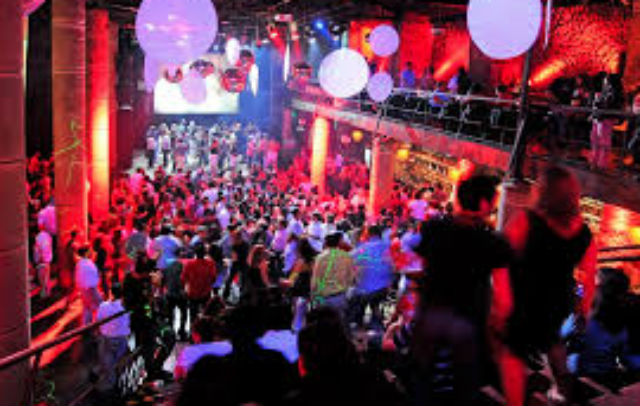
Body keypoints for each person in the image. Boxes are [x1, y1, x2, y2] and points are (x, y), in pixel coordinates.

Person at [500, 165, 597, 406]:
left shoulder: (526, 221)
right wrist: (583, 309)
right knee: (551, 339)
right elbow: (589, 275)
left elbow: (500, 257)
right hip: (557, 299)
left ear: (541, 192)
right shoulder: (584, 233)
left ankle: (515, 401)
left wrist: (500, 301)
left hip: (523, 296)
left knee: (512, 352)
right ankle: (561, 388)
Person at [412, 174, 512, 405]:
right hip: (468, 330)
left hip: (429, 323)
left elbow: (420, 273)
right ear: (485, 203)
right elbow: (503, 298)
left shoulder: (433, 228)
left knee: (423, 388)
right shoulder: (493, 243)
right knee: (461, 393)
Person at [350, 225, 394, 330]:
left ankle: (359, 326)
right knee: (375, 305)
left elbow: (351, 260)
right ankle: (377, 325)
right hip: (383, 288)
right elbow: (394, 266)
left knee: (359, 306)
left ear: (368, 234)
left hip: (365, 289)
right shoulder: (389, 247)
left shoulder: (363, 248)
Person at [311, 233, 356, 318]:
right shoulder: (346, 256)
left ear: (326, 243)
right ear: (339, 242)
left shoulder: (320, 257)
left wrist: (313, 296)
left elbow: (315, 279)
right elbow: (351, 277)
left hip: (323, 297)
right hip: (340, 296)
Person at [96, 283, 130, 391]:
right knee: (117, 361)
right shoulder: (124, 308)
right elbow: (127, 323)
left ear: (111, 292)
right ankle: (118, 382)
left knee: (108, 362)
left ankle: (110, 387)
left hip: (107, 339)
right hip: (122, 339)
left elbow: (98, 320)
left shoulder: (103, 306)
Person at [281, 237, 317, 331]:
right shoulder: (314, 260)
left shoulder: (301, 262)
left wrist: (285, 282)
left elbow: (294, 277)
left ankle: (297, 330)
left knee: (298, 312)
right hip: (310, 290)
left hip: (299, 290)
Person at [182, 243, 217, 323]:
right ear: (204, 253)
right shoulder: (210, 263)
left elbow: (183, 278)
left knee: (193, 314)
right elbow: (213, 278)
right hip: (206, 292)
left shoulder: (189, 264)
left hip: (193, 293)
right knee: (206, 314)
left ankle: (193, 327)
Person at [76, 245, 103, 325]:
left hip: (84, 289)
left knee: (87, 307)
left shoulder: (80, 263)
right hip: (90, 289)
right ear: (86, 253)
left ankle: (86, 325)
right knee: (100, 305)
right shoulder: (87, 263)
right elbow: (91, 280)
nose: (92, 252)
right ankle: (99, 325)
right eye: (90, 251)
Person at [34, 223, 53, 298]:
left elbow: (38, 249)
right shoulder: (48, 236)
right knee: (46, 278)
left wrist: (39, 258)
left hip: (41, 261)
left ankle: (44, 295)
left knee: (42, 279)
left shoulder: (38, 237)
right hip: (47, 260)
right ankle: (47, 293)